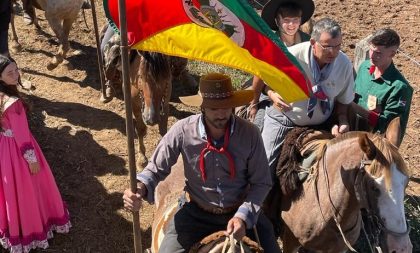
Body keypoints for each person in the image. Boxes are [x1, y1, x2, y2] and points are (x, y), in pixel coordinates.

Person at [123, 73, 281, 253]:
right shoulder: (182, 130)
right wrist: (140, 187)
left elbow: (261, 182)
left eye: (226, 107)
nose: (222, 114)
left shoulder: (250, 134)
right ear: (202, 108)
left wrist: (244, 216)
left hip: (239, 210)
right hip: (196, 212)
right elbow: (155, 168)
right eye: (214, 108)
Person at [261, 18, 354, 174]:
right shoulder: (291, 56)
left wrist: (343, 120)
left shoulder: (344, 64)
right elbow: (265, 81)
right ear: (312, 42)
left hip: (322, 122)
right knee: (265, 166)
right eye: (327, 47)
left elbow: (343, 100)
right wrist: (272, 94)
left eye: (338, 46)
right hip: (285, 118)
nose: (333, 52)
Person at [0, 55, 71, 252]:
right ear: (0, 77)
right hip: (19, 150)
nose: (15, 75)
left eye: (16, 70)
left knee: (11, 188)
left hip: (4, 148)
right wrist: (31, 159)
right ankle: (35, 223)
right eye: (10, 73)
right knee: (29, 187)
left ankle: (16, 225)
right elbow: (22, 134)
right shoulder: (13, 102)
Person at [249, 0, 315, 131]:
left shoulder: (309, 42)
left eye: (295, 19)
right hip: (272, 92)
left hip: (304, 93)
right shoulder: (269, 44)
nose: (291, 24)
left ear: (301, 20)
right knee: (257, 127)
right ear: (277, 20)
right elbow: (260, 75)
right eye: (286, 20)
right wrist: (256, 103)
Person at [351, 28, 413, 139]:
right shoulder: (364, 67)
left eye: (378, 53)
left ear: (392, 54)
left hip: (374, 145)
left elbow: (387, 125)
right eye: (370, 50)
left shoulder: (399, 88)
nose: (372, 56)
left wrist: (353, 107)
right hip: (351, 134)